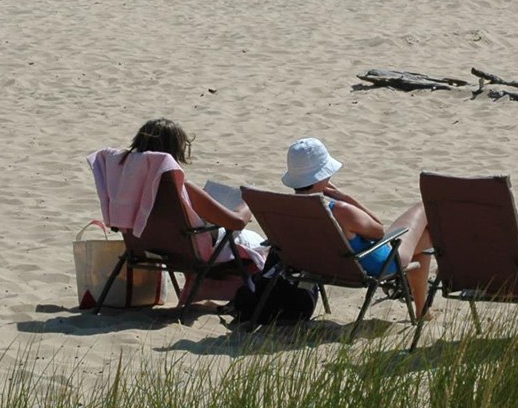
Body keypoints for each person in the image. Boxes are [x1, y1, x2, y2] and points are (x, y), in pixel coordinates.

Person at [280, 137, 434, 316]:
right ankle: (422, 308)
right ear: (322, 176)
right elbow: (379, 230)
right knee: (424, 209)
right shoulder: (340, 211)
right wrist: (343, 196)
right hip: (380, 264)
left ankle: (423, 309)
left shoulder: (287, 210)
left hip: (323, 266)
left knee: (425, 238)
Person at [118, 118, 253, 236]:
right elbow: (237, 222)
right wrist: (249, 202)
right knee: (253, 240)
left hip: (146, 246)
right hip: (191, 252)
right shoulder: (179, 189)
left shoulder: (126, 184)